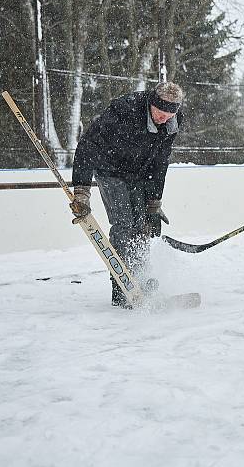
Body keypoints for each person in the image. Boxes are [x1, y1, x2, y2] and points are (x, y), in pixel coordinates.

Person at [69, 82, 184, 308]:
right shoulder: (124, 109)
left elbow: (160, 164)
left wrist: (154, 204)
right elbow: (87, 145)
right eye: (160, 114)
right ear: (152, 103)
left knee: (142, 225)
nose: (164, 119)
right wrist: (82, 190)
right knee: (124, 223)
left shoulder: (173, 121)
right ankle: (122, 284)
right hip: (109, 169)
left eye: (169, 115)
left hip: (137, 174)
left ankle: (140, 276)